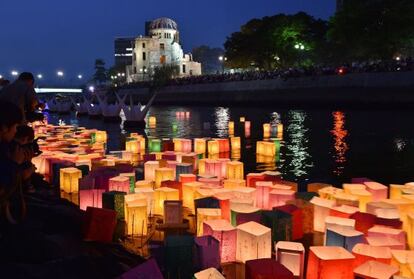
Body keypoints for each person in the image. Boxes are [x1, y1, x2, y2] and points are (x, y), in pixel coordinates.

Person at [0, 101, 34, 225]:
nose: (15, 131)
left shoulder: (6, 146)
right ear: (4, 128)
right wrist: (15, 165)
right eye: (15, 126)